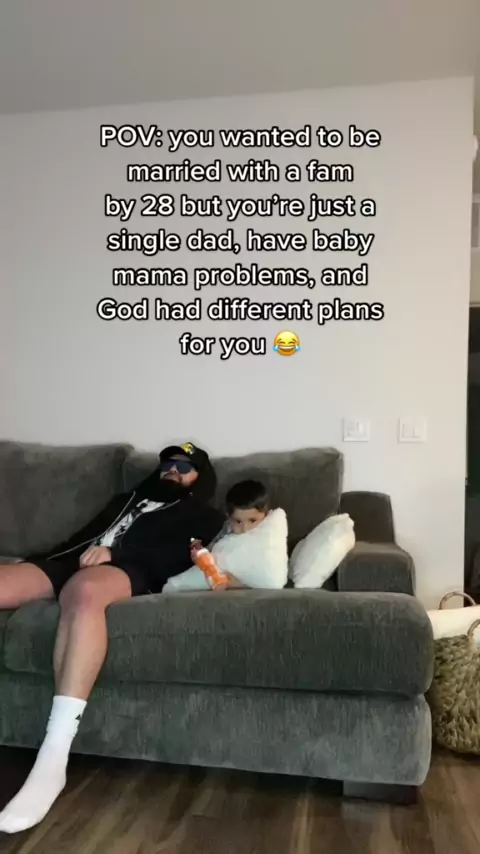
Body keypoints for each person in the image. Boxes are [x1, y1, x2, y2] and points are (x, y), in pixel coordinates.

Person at [0, 442, 224, 834]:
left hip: (128, 569)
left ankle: (54, 755)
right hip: (73, 562)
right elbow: (80, 538)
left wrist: (114, 555)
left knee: (84, 594)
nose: (172, 470)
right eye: (167, 464)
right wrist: (39, 560)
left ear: (200, 478)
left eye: (184, 466)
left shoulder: (204, 515)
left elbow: (174, 557)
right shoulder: (127, 500)